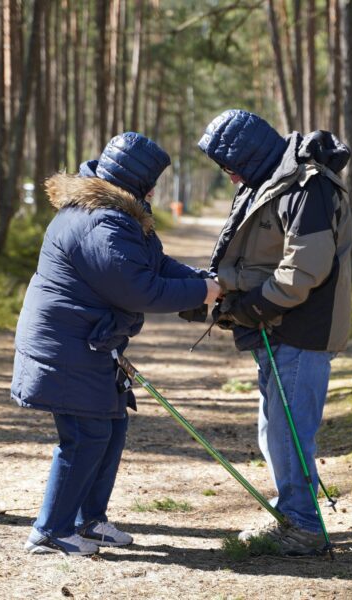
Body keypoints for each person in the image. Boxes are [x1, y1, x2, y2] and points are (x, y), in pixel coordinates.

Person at [12, 132, 221, 556]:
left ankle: (88, 521)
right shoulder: (101, 222)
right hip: (66, 345)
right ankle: (50, 532)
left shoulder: (117, 214)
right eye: (152, 182)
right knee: (85, 435)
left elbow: (155, 264)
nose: (155, 190)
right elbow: (139, 289)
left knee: (110, 427)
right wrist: (202, 293)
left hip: (88, 342)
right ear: (138, 182)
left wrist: (203, 280)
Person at [195, 109, 352, 556]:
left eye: (229, 166)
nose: (227, 176)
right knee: (275, 431)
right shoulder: (266, 183)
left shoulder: (309, 186)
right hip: (275, 328)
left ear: (250, 156)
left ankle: (303, 526)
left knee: (289, 433)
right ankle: (294, 513)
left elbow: (305, 266)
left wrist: (255, 306)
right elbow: (254, 255)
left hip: (301, 329)